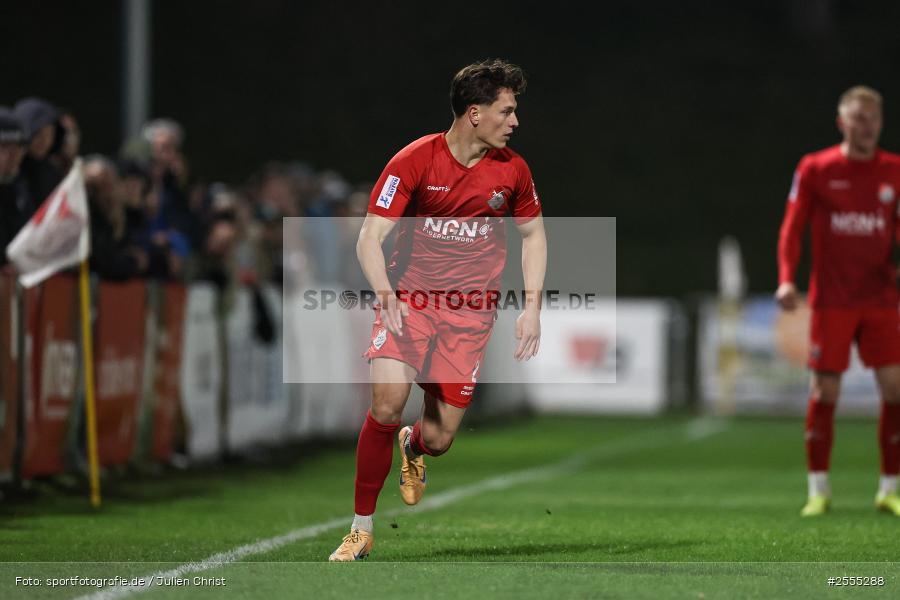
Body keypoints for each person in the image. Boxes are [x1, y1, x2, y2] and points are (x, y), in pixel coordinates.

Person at [329, 59, 547, 561]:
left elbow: (533, 235)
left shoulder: (513, 171)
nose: (515, 122)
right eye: (507, 111)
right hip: (410, 302)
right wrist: (385, 292)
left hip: (470, 316)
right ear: (475, 113)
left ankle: (415, 449)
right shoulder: (414, 161)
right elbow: (371, 237)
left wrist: (531, 308)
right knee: (385, 403)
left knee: (441, 437)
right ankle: (361, 529)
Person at [776, 85, 900, 517]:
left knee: (896, 389)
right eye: (857, 118)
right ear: (842, 122)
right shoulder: (816, 168)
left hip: (882, 300)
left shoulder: (895, 170)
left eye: (872, 118)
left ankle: (889, 489)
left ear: (881, 122)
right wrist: (787, 279)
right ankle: (819, 490)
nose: (865, 126)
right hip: (832, 300)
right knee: (824, 391)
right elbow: (792, 227)